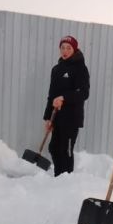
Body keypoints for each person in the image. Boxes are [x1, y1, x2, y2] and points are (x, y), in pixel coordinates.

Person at [43, 35, 90, 176]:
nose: (65, 50)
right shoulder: (56, 69)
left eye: (68, 48)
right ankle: (59, 177)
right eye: (62, 47)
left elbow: (83, 93)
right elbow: (51, 95)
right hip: (57, 116)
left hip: (71, 118)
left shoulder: (80, 68)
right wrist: (48, 117)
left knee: (65, 150)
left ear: (74, 49)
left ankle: (67, 180)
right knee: (53, 148)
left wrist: (64, 97)